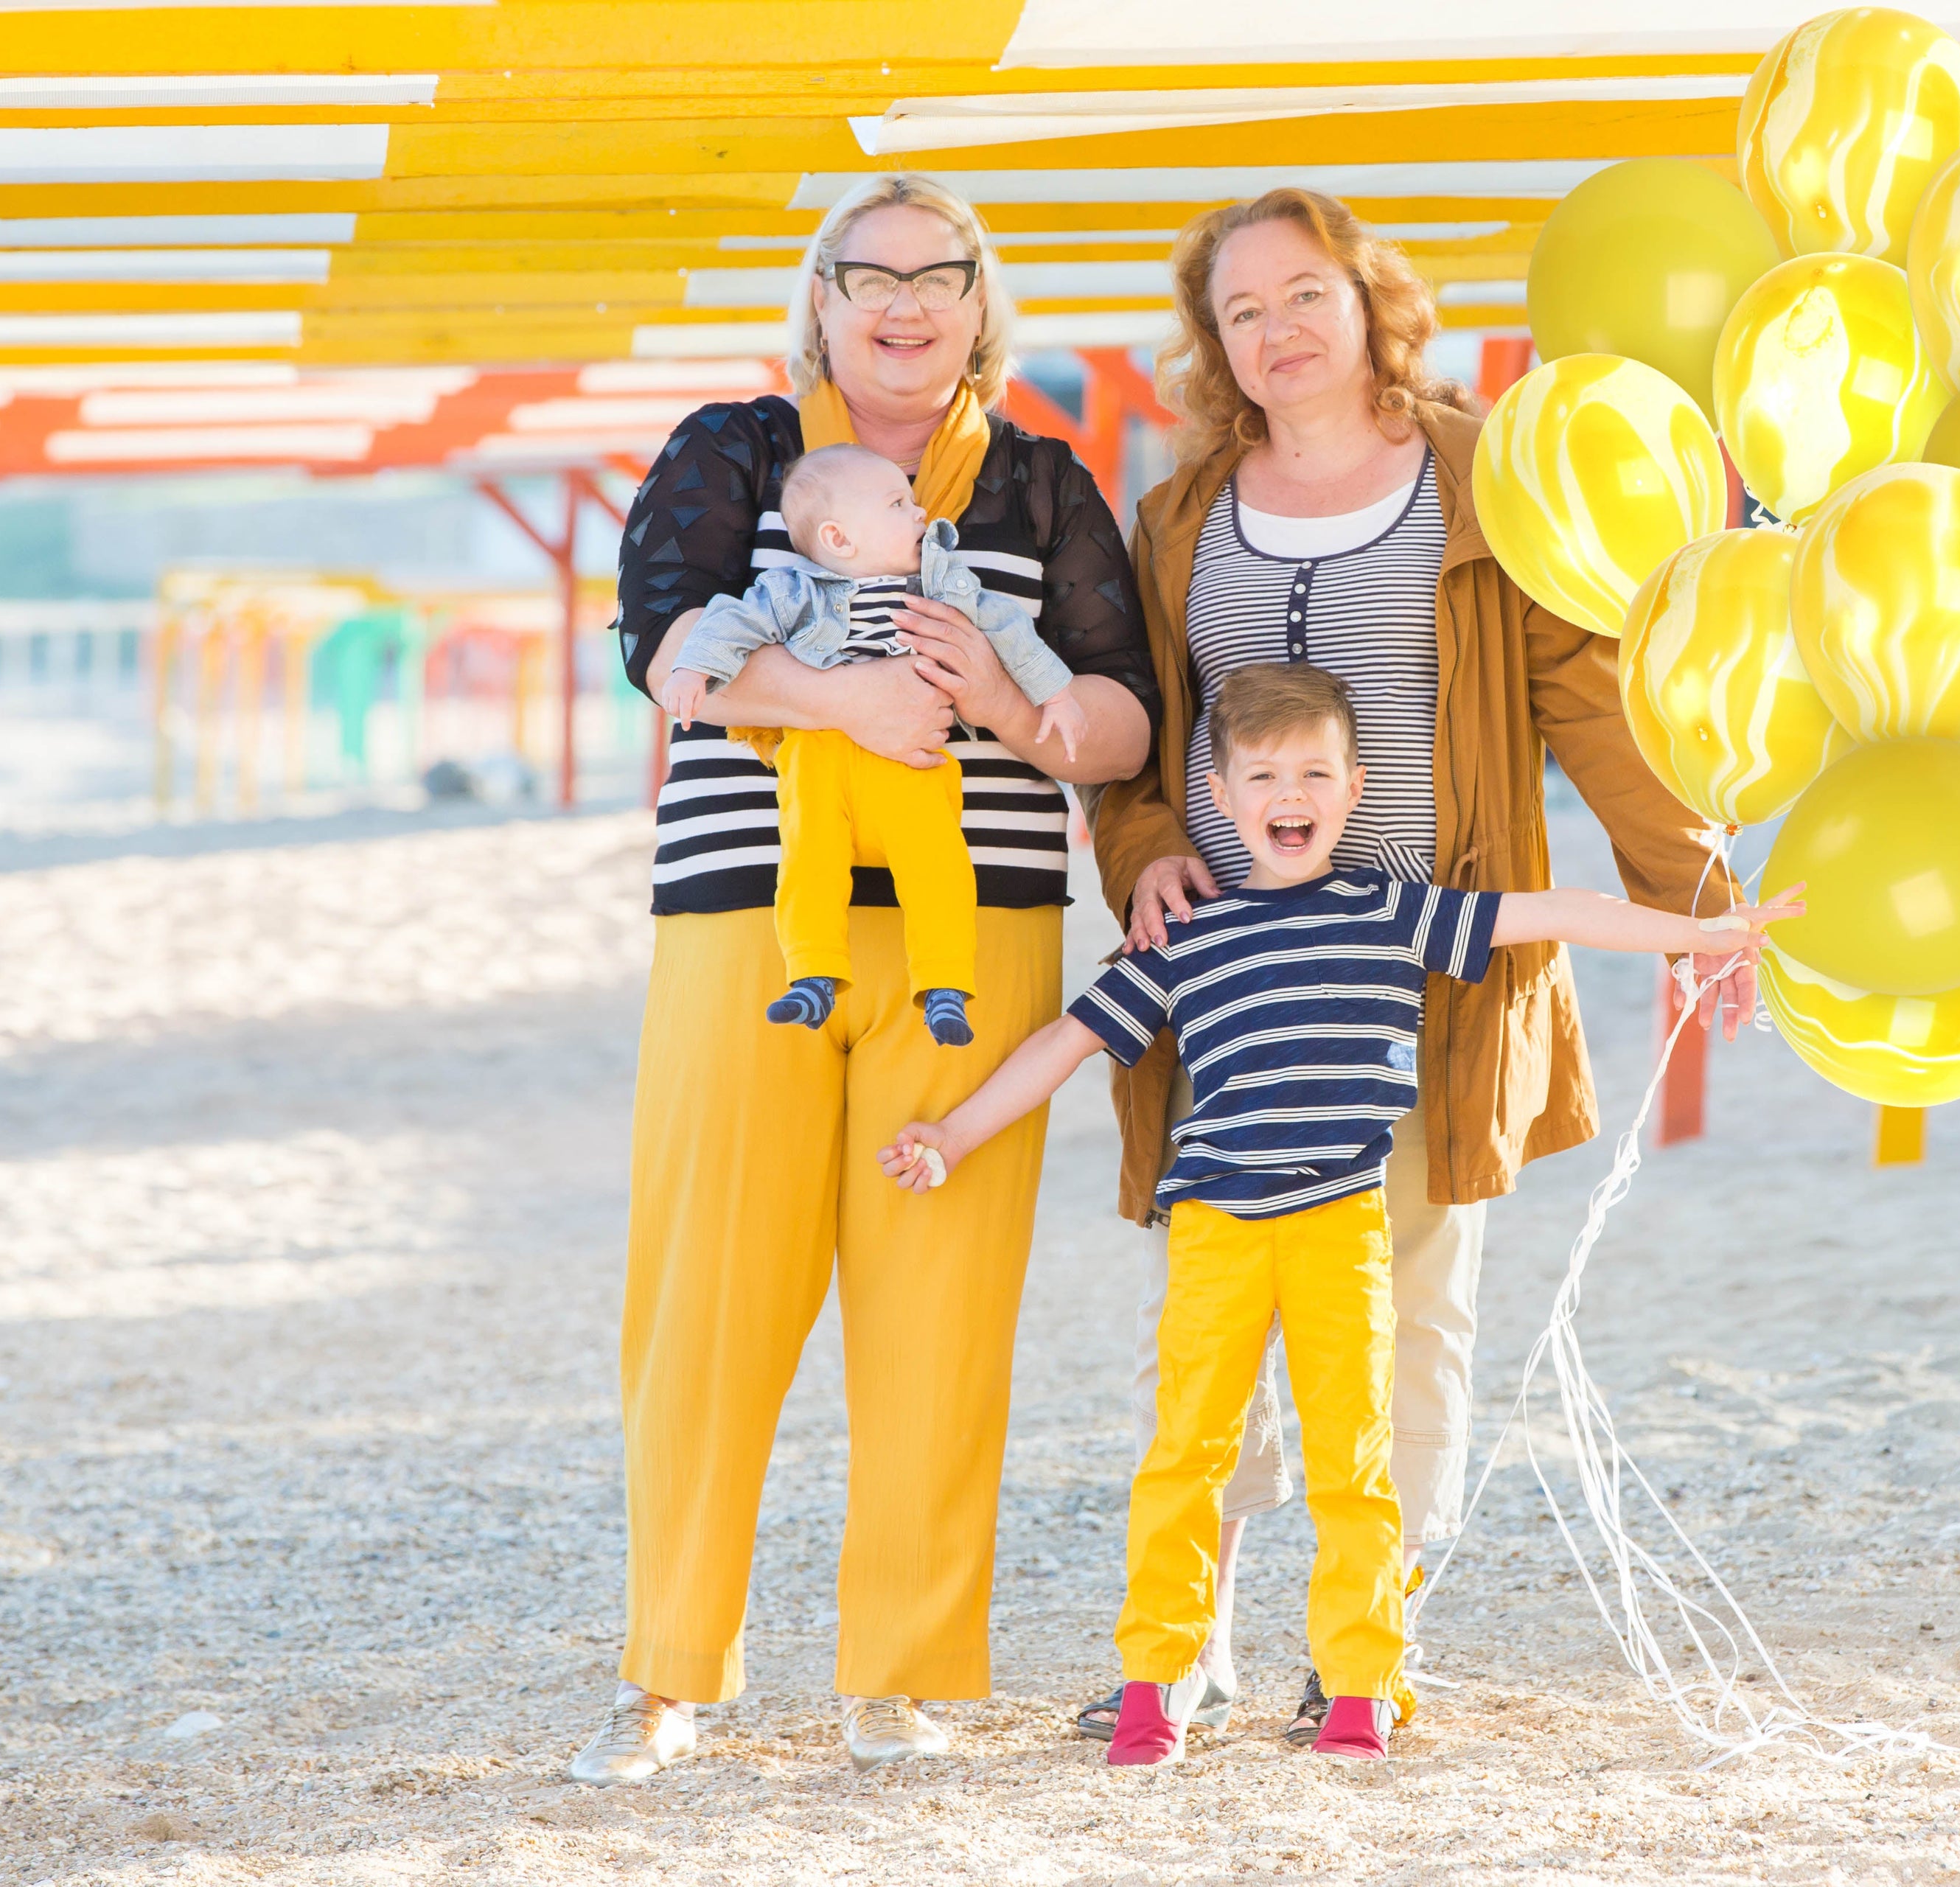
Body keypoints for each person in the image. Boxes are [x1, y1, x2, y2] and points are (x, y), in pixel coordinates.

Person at [1082, 188, 1755, 1745]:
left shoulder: (1480, 477)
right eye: (1243, 310)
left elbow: (1584, 696)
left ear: (1368, 298)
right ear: (1218, 345)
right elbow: (1130, 741)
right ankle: (1192, 1640)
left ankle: (1370, 1637)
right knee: (1217, 1295)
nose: (1277, 328)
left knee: (1411, 1293)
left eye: (1304, 292)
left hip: (1433, 959)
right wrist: (1139, 860)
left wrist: (1692, 890)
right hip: (1231, 977)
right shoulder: (1179, 513)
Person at [882, 664, 1798, 1765]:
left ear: (1355, 788)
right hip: (1215, 1232)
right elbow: (1065, 1045)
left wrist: (1696, 933)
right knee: (1185, 1457)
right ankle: (1155, 1683)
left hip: (1340, 1229)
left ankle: (1362, 1684)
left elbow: (1551, 911)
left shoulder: (1389, 910)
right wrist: (954, 1133)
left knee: (1351, 1460)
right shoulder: (1186, 939)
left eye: (1316, 771)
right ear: (1220, 797)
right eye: (1264, 774)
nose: (1291, 792)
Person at [570, 172, 1158, 1785]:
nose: (904, 303)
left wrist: (1011, 709)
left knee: (944, 1301)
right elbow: (661, 637)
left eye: (938, 274)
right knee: (710, 1290)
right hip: (751, 915)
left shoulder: (1041, 484)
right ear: (819, 299)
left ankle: (898, 1675)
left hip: (984, 935)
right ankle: (669, 1672)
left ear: (982, 303)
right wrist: (844, 708)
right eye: (869, 273)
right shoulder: (737, 449)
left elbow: (1123, 715)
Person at [660, 443, 1093, 1043]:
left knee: (938, 865)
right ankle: (811, 975)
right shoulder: (791, 590)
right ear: (839, 539)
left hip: (911, 764)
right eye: (898, 504)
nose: (919, 515)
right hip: (819, 760)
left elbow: (1008, 628)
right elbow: (731, 621)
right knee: (809, 862)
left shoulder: (943, 583)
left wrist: (1056, 693)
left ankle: (944, 984)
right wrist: (691, 669)